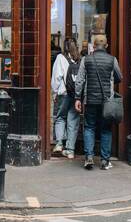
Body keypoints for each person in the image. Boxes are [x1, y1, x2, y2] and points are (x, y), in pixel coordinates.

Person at [74, 35, 122, 170]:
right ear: (106, 46)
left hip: (90, 100)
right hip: (107, 102)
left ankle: (89, 158)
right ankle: (105, 161)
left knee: (89, 127)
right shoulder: (112, 60)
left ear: (93, 46)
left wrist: (77, 98)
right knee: (106, 129)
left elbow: (79, 81)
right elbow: (119, 77)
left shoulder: (86, 59)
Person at [50, 38, 81, 158]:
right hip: (75, 94)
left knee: (60, 117)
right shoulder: (79, 59)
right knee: (73, 120)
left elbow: (57, 77)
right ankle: (70, 150)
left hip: (63, 93)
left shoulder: (60, 58)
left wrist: (55, 92)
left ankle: (59, 143)